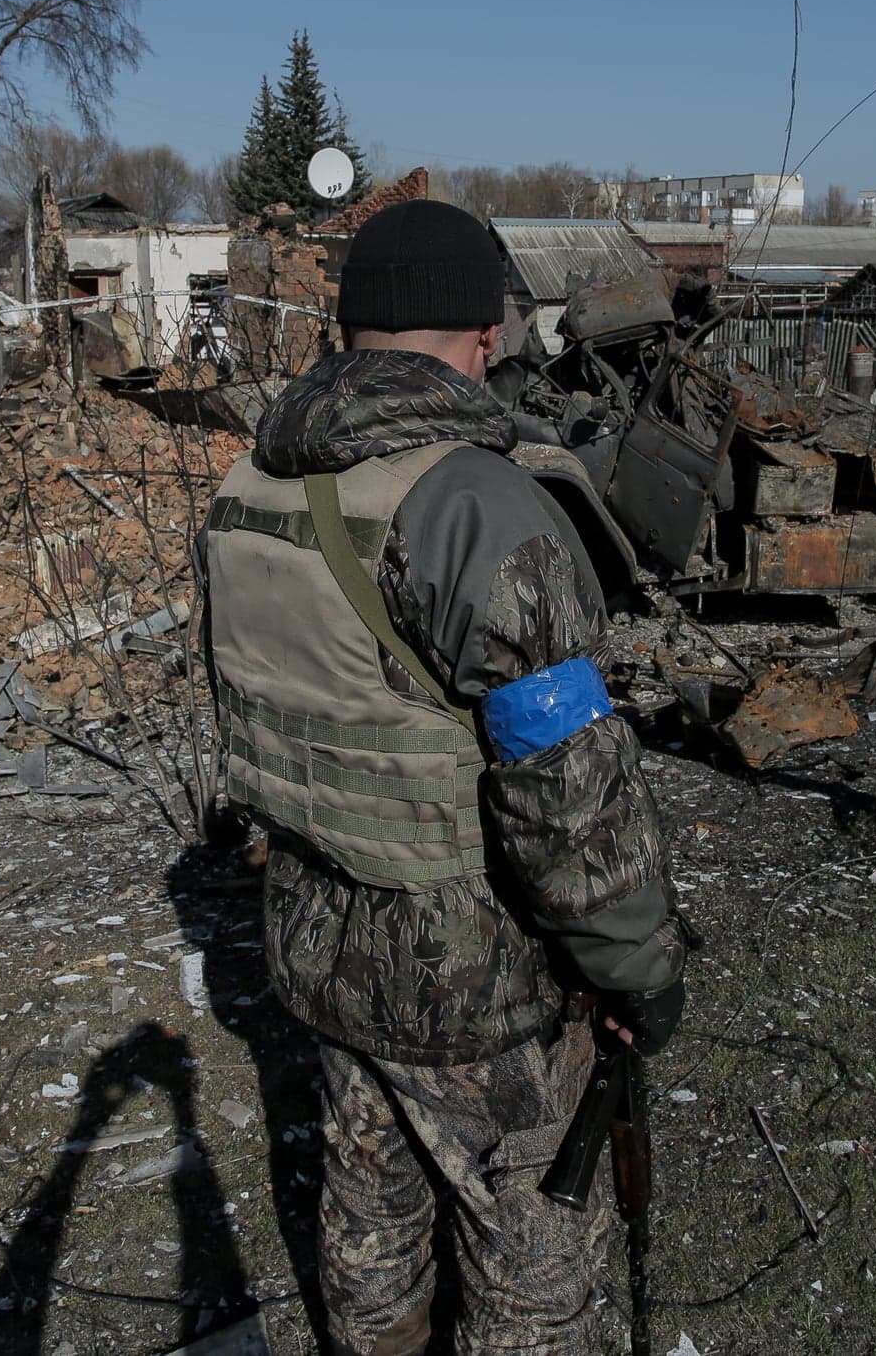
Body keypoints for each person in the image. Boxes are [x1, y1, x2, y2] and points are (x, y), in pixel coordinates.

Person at [195, 199, 686, 1355]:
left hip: (318, 940)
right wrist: (635, 968)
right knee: (529, 1265)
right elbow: (568, 788)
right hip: (476, 985)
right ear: (478, 332)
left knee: (369, 1217)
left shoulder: (244, 485)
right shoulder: (477, 502)